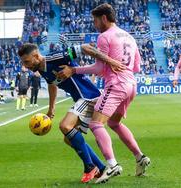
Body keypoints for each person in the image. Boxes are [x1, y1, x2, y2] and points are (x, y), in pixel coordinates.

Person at [57, 3, 151, 184]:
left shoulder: (104, 37)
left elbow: (99, 68)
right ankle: (140, 158)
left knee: (95, 123)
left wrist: (74, 70)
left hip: (116, 85)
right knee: (114, 123)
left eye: (95, 20)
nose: (94, 24)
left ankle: (112, 165)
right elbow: (137, 66)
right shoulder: (130, 37)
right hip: (131, 84)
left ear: (104, 18)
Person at [18, 43, 124, 183]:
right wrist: (51, 108)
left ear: (36, 56)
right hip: (83, 99)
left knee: (65, 126)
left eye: (27, 62)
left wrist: (110, 61)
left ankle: (89, 167)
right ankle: (101, 167)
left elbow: (85, 48)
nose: (26, 66)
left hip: (88, 96)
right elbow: (52, 84)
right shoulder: (42, 70)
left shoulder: (54, 58)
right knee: (69, 139)